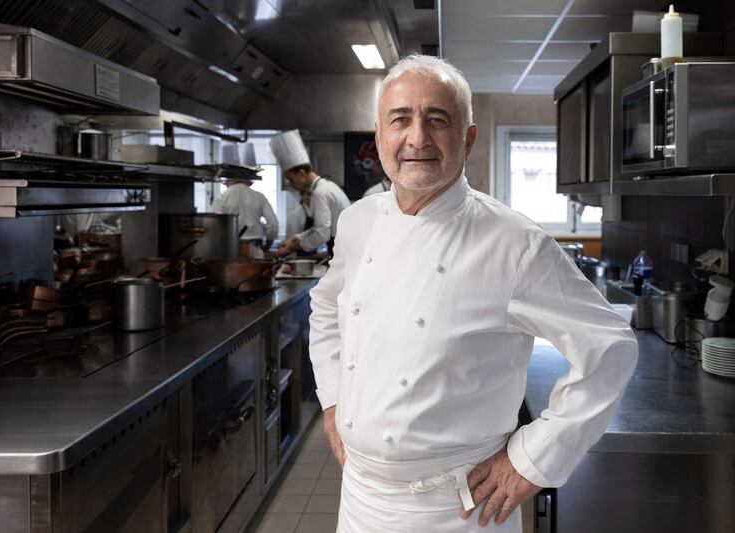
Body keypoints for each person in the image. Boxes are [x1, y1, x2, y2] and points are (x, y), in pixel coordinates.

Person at [308, 54, 638, 532]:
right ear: (379, 137)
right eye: (400, 120)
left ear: (468, 138)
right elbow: (325, 307)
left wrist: (532, 459)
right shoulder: (359, 221)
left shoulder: (514, 243)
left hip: (458, 508)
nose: (417, 138)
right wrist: (334, 399)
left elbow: (610, 346)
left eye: (437, 120)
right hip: (360, 499)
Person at [269, 129, 350, 257]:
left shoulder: (320, 193)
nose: (290, 183)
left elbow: (321, 235)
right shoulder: (326, 186)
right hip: (343, 248)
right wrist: (295, 239)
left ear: (301, 173)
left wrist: (291, 248)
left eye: (290, 178)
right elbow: (321, 228)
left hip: (343, 250)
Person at [212, 178, 278, 250]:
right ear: (250, 182)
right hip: (255, 243)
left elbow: (216, 225)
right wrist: (268, 245)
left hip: (230, 244)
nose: (224, 184)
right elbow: (273, 224)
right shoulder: (259, 197)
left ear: (229, 180)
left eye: (224, 181)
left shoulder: (221, 198)